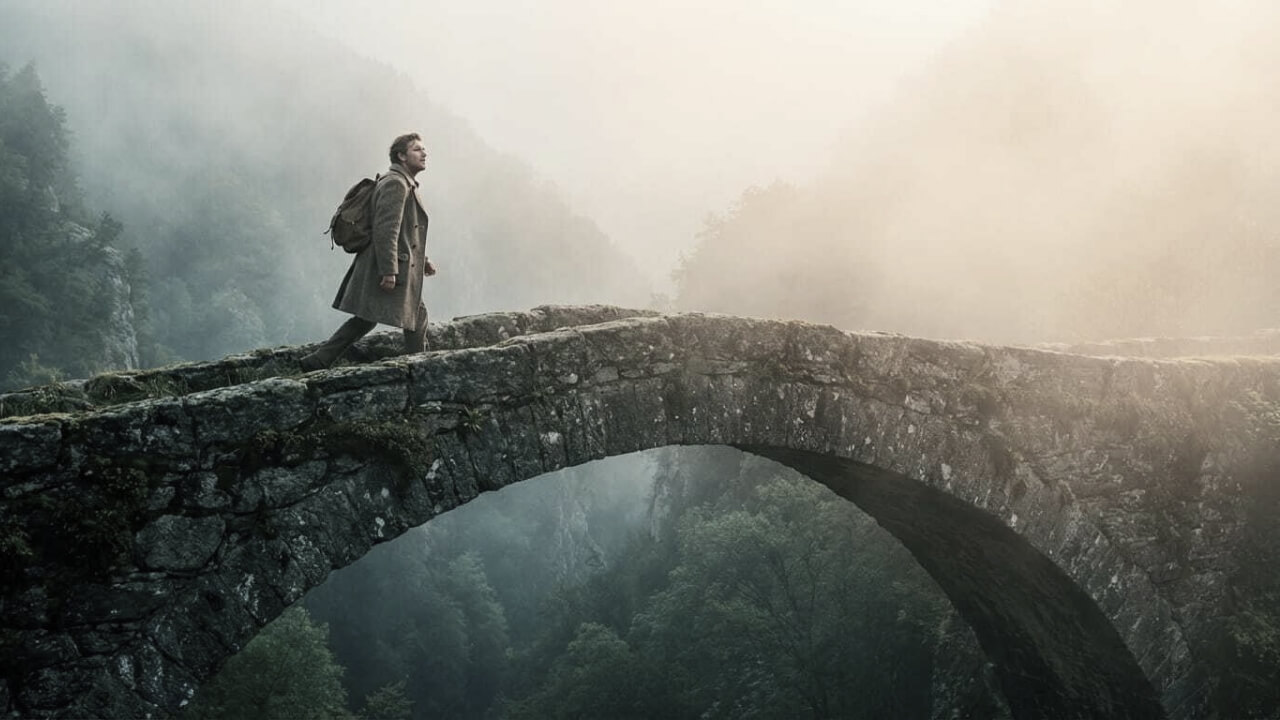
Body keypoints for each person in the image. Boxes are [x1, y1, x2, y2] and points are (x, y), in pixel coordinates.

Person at [301, 133, 437, 370]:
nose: (424, 153)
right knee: (415, 315)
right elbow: (387, 230)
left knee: (368, 318)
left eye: (424, 149)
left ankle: (318, 360)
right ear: (401, 156)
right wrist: (388, 272)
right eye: (417, 150)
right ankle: (419, 366)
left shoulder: (403, 182)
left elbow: (405, 232)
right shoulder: (396, 183)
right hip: (388, 265)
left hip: (393, 262)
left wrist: (422, 260)